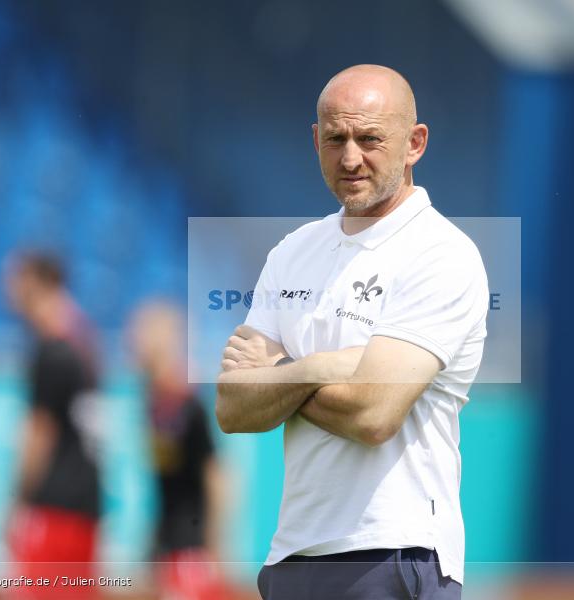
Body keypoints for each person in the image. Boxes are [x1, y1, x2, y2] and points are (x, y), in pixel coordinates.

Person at [216, 65, 488, 600]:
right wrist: (323, 366)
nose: (350, 157)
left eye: (370, 139)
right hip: (294, 555)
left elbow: (372, 414)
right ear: (315, 139)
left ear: (415, 143)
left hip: (393, 551)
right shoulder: (293, 251)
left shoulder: (440, 253)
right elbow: (232, 408)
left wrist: (278, 375)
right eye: (336, 138)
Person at [3, 253, 102, 599]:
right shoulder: (83, 342)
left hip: (53, 508)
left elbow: (39, 433)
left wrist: (17, 500)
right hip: (84, 506)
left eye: (16, 279)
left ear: (38, 282)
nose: (9, 289)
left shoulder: (52, 349)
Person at [128, 302, 230, 600]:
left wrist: (214, 548)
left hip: (191, 551)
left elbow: (217, 477)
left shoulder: (188, 403)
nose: (134, 341)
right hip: (167, 547)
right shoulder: (152, 401)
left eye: (142, 333)